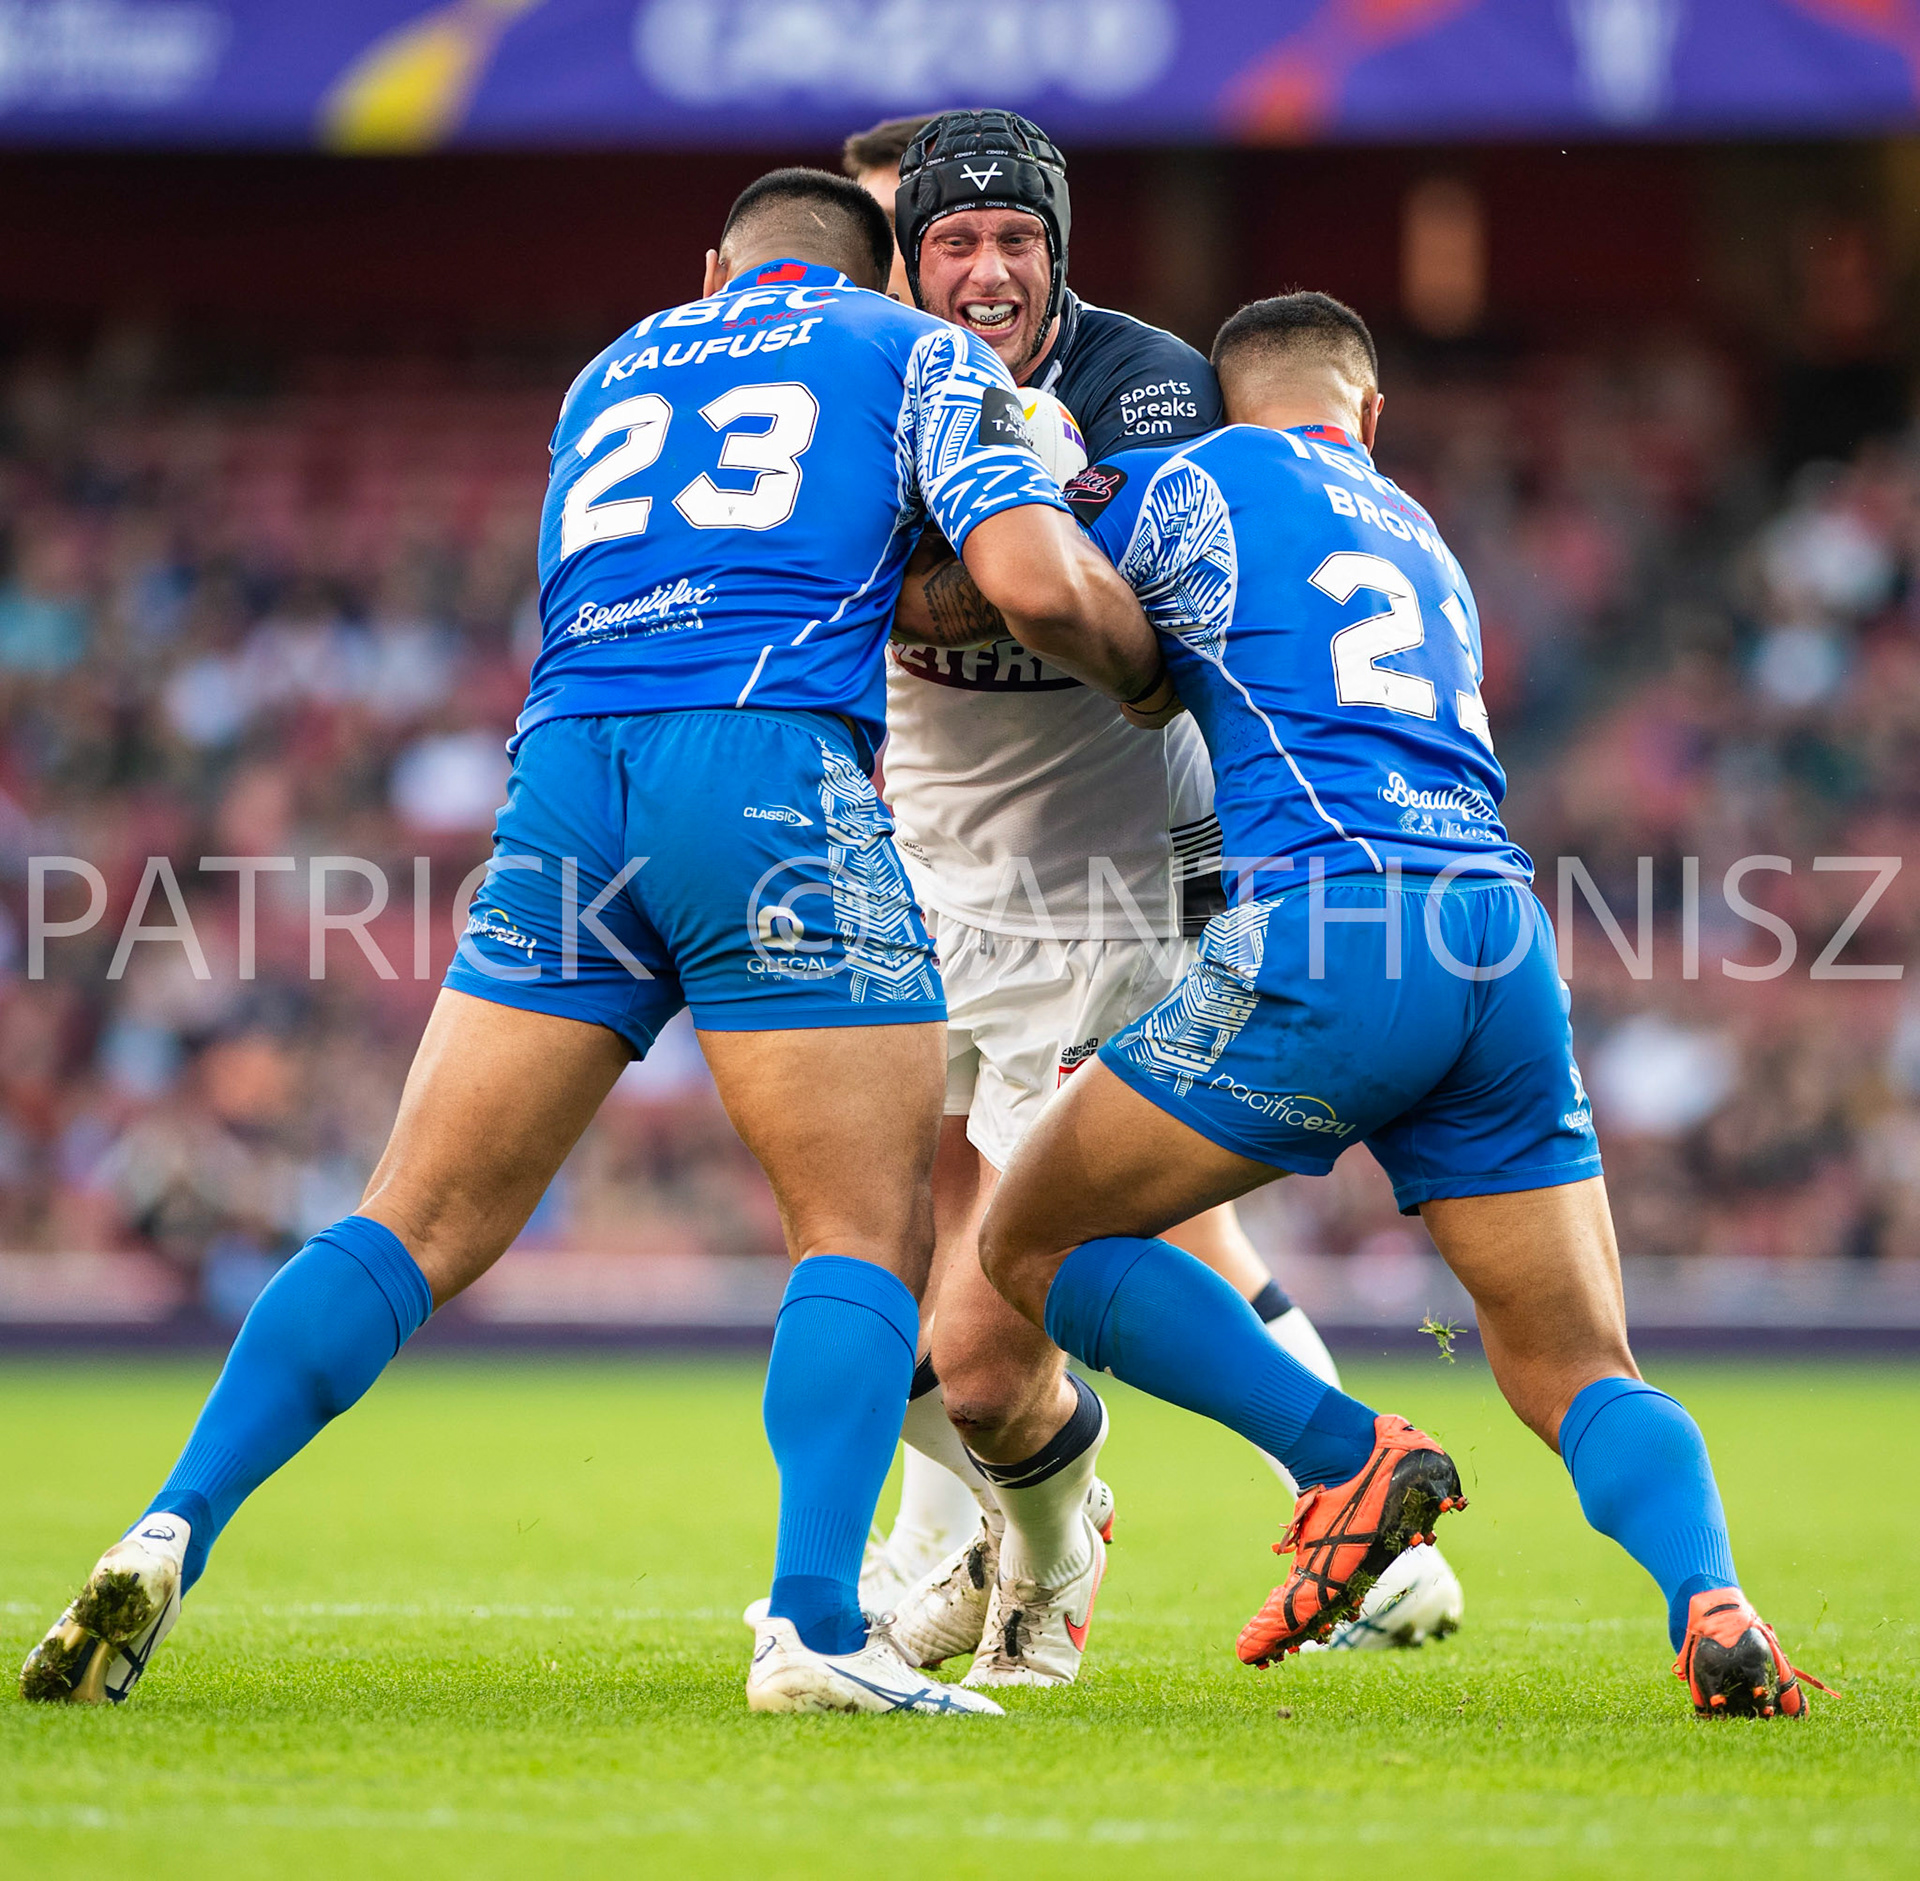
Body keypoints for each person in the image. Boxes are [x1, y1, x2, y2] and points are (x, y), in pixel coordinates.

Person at [20, 169, 1172, 1720]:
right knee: (861, 1231)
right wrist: (1148, 668)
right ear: (882, 276)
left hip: (566, 780)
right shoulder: (913, 350)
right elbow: (1029, 582)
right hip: (762, 769)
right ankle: (818, 1626)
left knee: (409, 1220)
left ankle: (172, 1521)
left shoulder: (614, 363)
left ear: (715, 270)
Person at [977, 291, 1826, 1718]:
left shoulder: (1201, 478)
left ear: (1231, 398)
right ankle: (1714, 1601)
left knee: (1031, 1235)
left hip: (1337, 923)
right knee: (1575, 1364)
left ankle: (1340, 1454)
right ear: (1368, 413)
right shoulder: (1422, 531)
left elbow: (1043, 589)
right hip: (1500, 938)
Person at [842, 108, 1462, 1685]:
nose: (985, 272)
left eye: (1016, 241)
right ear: (908, 256)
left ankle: (1120, 1538)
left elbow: (1113, 616)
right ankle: (1020, 1548)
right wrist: (996, 554)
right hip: (912, 889)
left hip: (1101, 902)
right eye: (952, 242)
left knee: (1011, 1325)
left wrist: (960, 565)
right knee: (871, 1273)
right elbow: (972, 579)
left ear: (1061, 251)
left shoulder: (1149, 383)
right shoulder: (860, 373)